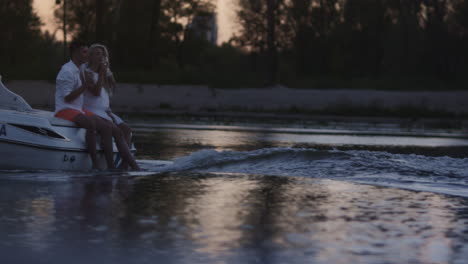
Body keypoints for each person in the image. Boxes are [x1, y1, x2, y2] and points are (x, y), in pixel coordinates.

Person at [55, 40, 117, 170]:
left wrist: (108, 75)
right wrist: (85, 85)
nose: (87, 55)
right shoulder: (66, 71)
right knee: (91, 124)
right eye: (84, 52)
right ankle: (95, 165)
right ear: (75, 53)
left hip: (78, 109)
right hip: (64, 109)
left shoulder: (81, 68)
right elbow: (67, 98)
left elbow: (101, 72)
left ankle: (111, 167)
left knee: (106, 127)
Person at [82, 44, 140, 170]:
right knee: (116, 131)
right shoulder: (87, 73)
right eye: (97, 53)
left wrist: (107, 72)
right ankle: (125, 166)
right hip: (91, 110)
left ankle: (125, 165)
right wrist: (102, 73)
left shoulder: (104, 74)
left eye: (102, 54)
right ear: (90, 56)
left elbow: (110, 90)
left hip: (105, 110)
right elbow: (96, 93)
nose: (100, 56)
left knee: (127, 130)